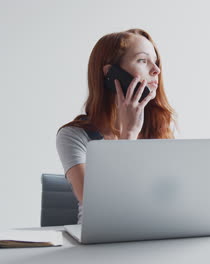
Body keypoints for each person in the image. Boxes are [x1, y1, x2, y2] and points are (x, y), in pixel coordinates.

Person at [56, 29, 176, 224]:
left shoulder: (158, 126)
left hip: (152, 238)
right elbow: (99, 206)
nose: (156, 70)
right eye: (143, 61)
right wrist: (129, 134)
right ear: (110, 73)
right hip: (100, 244)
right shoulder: (74, 136)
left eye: (156, 61)